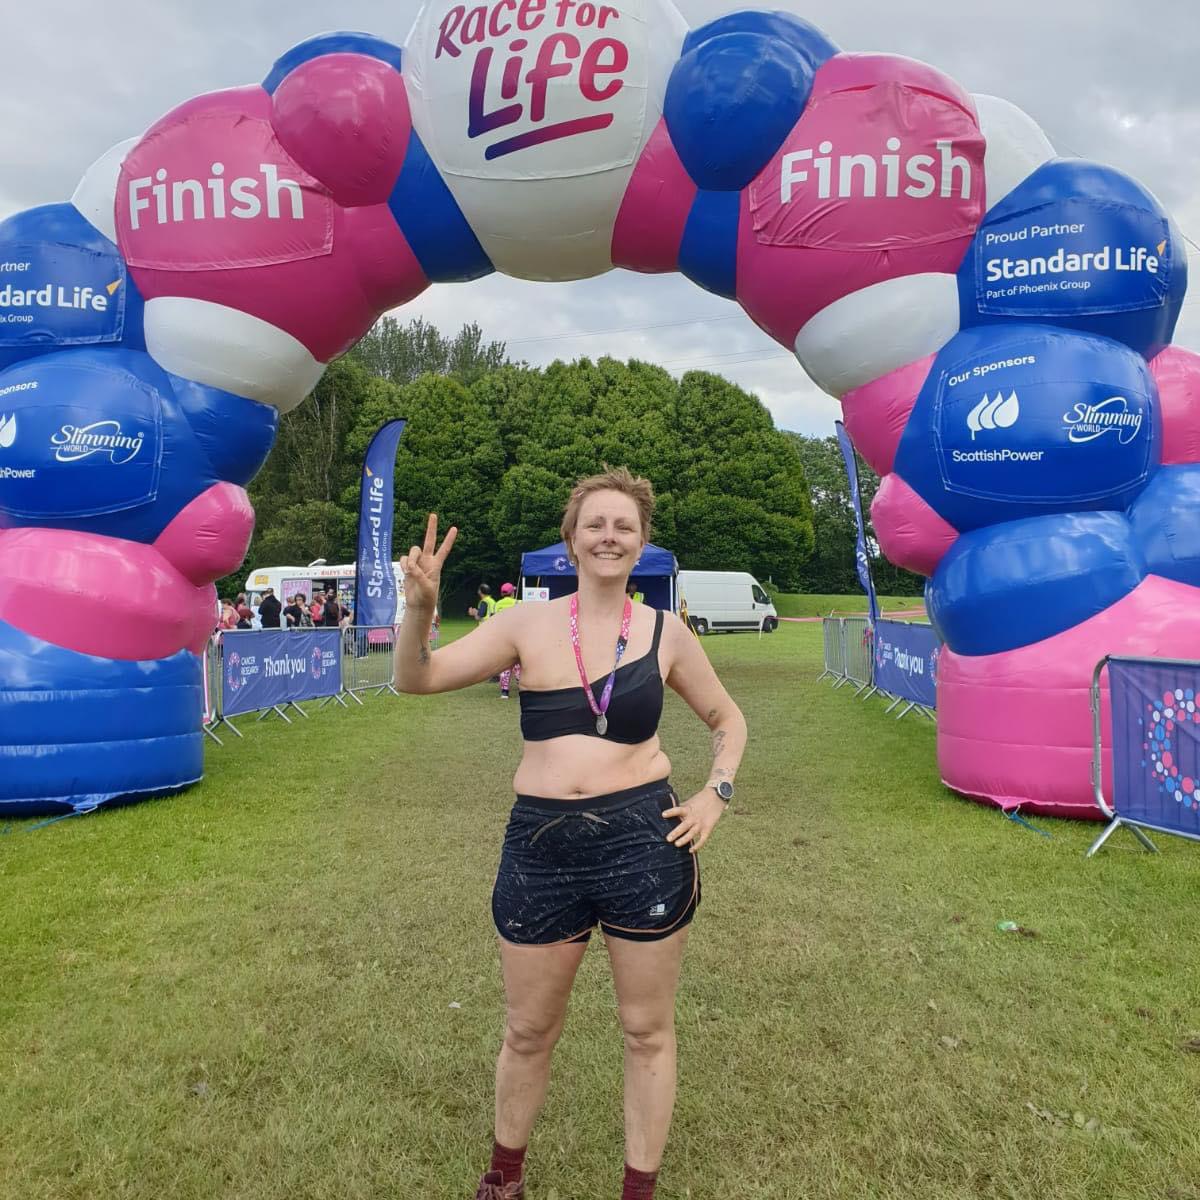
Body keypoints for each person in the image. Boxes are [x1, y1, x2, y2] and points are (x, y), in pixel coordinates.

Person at [394, 467, 747, 1200]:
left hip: (643, 845)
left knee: (646, 1030)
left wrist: (717, 793)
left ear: (642, 542)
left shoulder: (666, 632)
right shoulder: (525, 624)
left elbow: (728, 720)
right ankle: (504, 1181)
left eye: (624, 525)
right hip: (541, 846)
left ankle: (638, 1191)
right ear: (572, 541)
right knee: (527, 1031)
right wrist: (418, 611)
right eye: (596, 524)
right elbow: (416, 678)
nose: (609, 536)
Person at [495, 583, 521, 699]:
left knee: (505, 665)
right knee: (518, 665)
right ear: (512, 592)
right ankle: (522, 689)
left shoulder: (497, 604)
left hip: (502, 638)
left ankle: (504, 691)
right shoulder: (518, 602)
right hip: (516, 637)